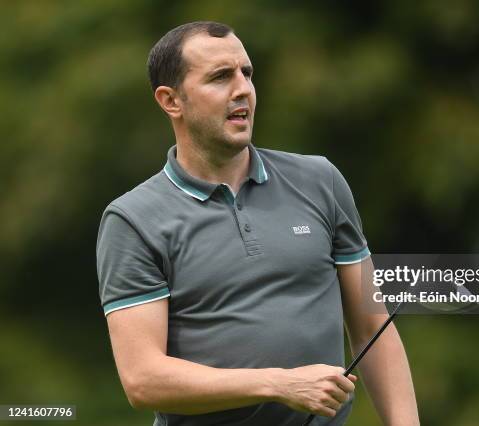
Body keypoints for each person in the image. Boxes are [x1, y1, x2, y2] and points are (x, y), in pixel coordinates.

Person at [96, 21, 419, 426]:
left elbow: (374, 327)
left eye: (246, 73)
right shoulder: (133, 219)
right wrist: (278, 384)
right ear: (170, 101)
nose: (242, 89)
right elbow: (143, 380)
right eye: (219, 77)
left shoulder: (320, 181)